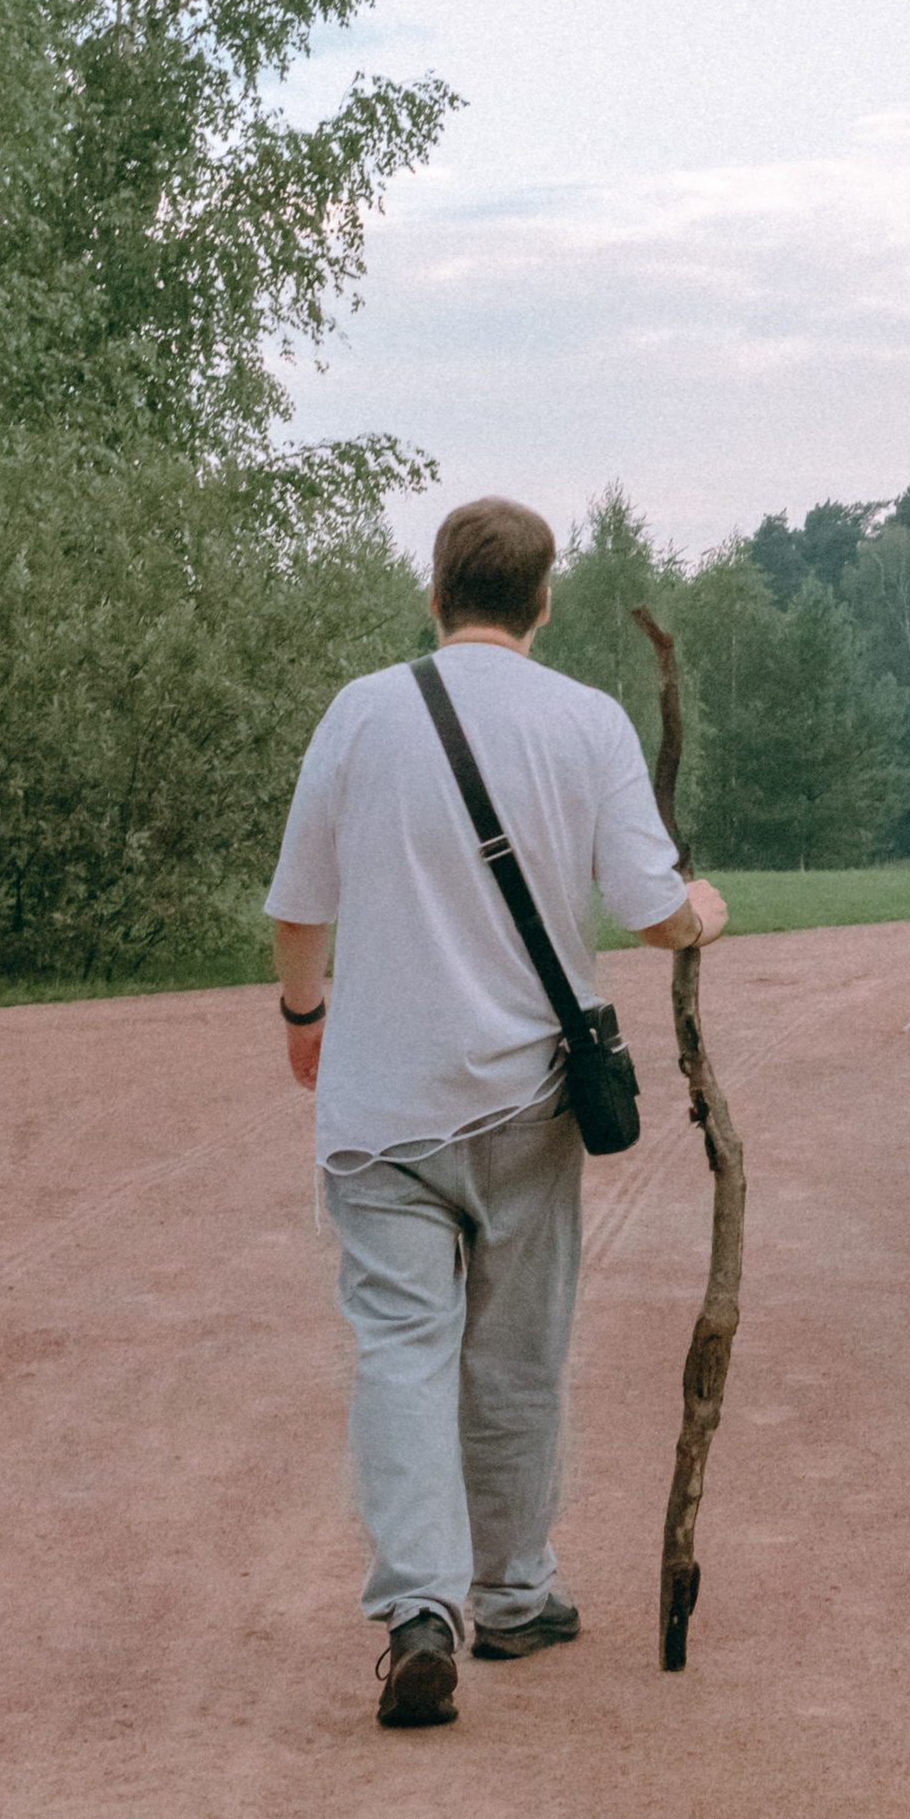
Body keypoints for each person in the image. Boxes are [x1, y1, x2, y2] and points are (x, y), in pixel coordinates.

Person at [265, 493, 727, 1729]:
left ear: (434, 591)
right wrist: (703, 912)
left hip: (379, 1103)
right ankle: (512, 1590)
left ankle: (423, 1607)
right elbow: (648, 901)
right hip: (528, 1098)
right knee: (515, 1352)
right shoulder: (585, 719)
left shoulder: (361, 712)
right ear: (543, 598)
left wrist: (303, 1019)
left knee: (402, 1349)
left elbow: (300, 901)